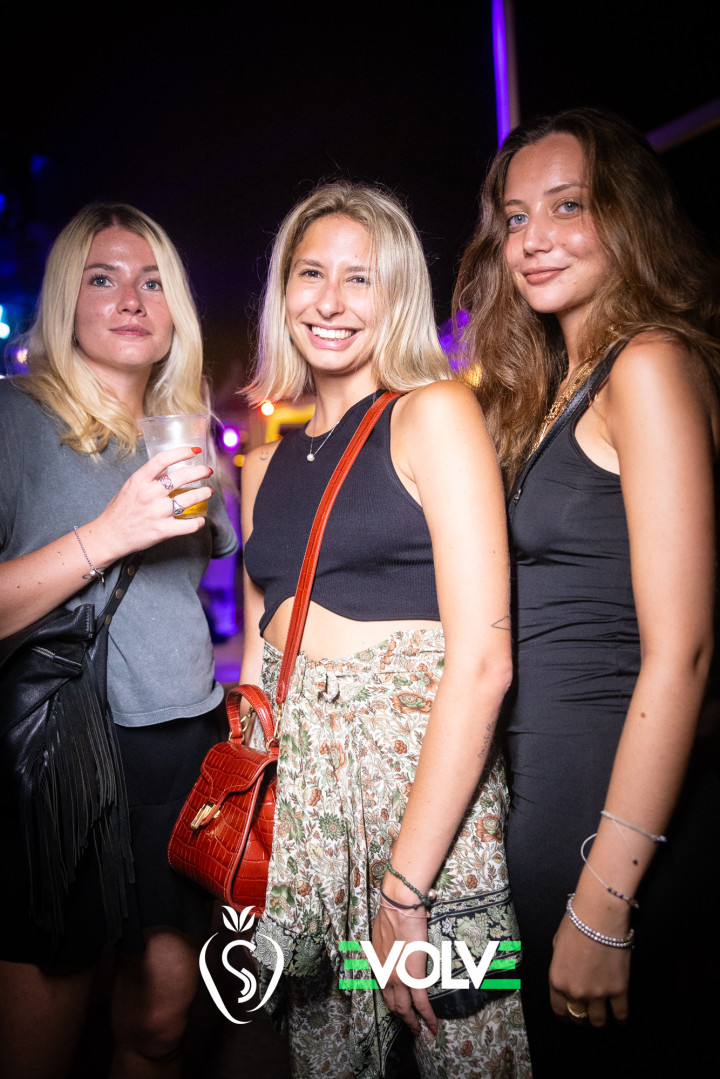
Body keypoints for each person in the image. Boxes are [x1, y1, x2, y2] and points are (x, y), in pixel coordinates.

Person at [240, 182, 531, 1077]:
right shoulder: (261, 464)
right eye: (310, 274)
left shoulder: (434, 412)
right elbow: (260, 658)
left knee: (468, 1045)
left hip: (432, 808)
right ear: (283, 291)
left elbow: (484, 663)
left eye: (359, 278)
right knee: (329, 1057)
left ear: (397, 292)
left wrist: (406, 889)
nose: (330, 301)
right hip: (310, 822)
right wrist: (252, 833)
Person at [454, 106, 720, 1077]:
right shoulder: (554, 385)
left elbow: (684, 650)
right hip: (553, 813)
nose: (534, 239)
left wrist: (607, 895)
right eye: (516, 217)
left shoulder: (647, 364)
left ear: (627, 216)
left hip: (614, 830)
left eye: (569, 206)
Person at [0, 203, 238, 1078]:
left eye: (153, 281)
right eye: (103, 278)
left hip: (179, 754)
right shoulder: (13, 419)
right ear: (68, 301)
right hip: (59, 758)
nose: (132, 298)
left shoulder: (187, 435)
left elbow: (212, 589)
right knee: (42, 1045)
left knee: (162, 1022)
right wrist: (108, 532)